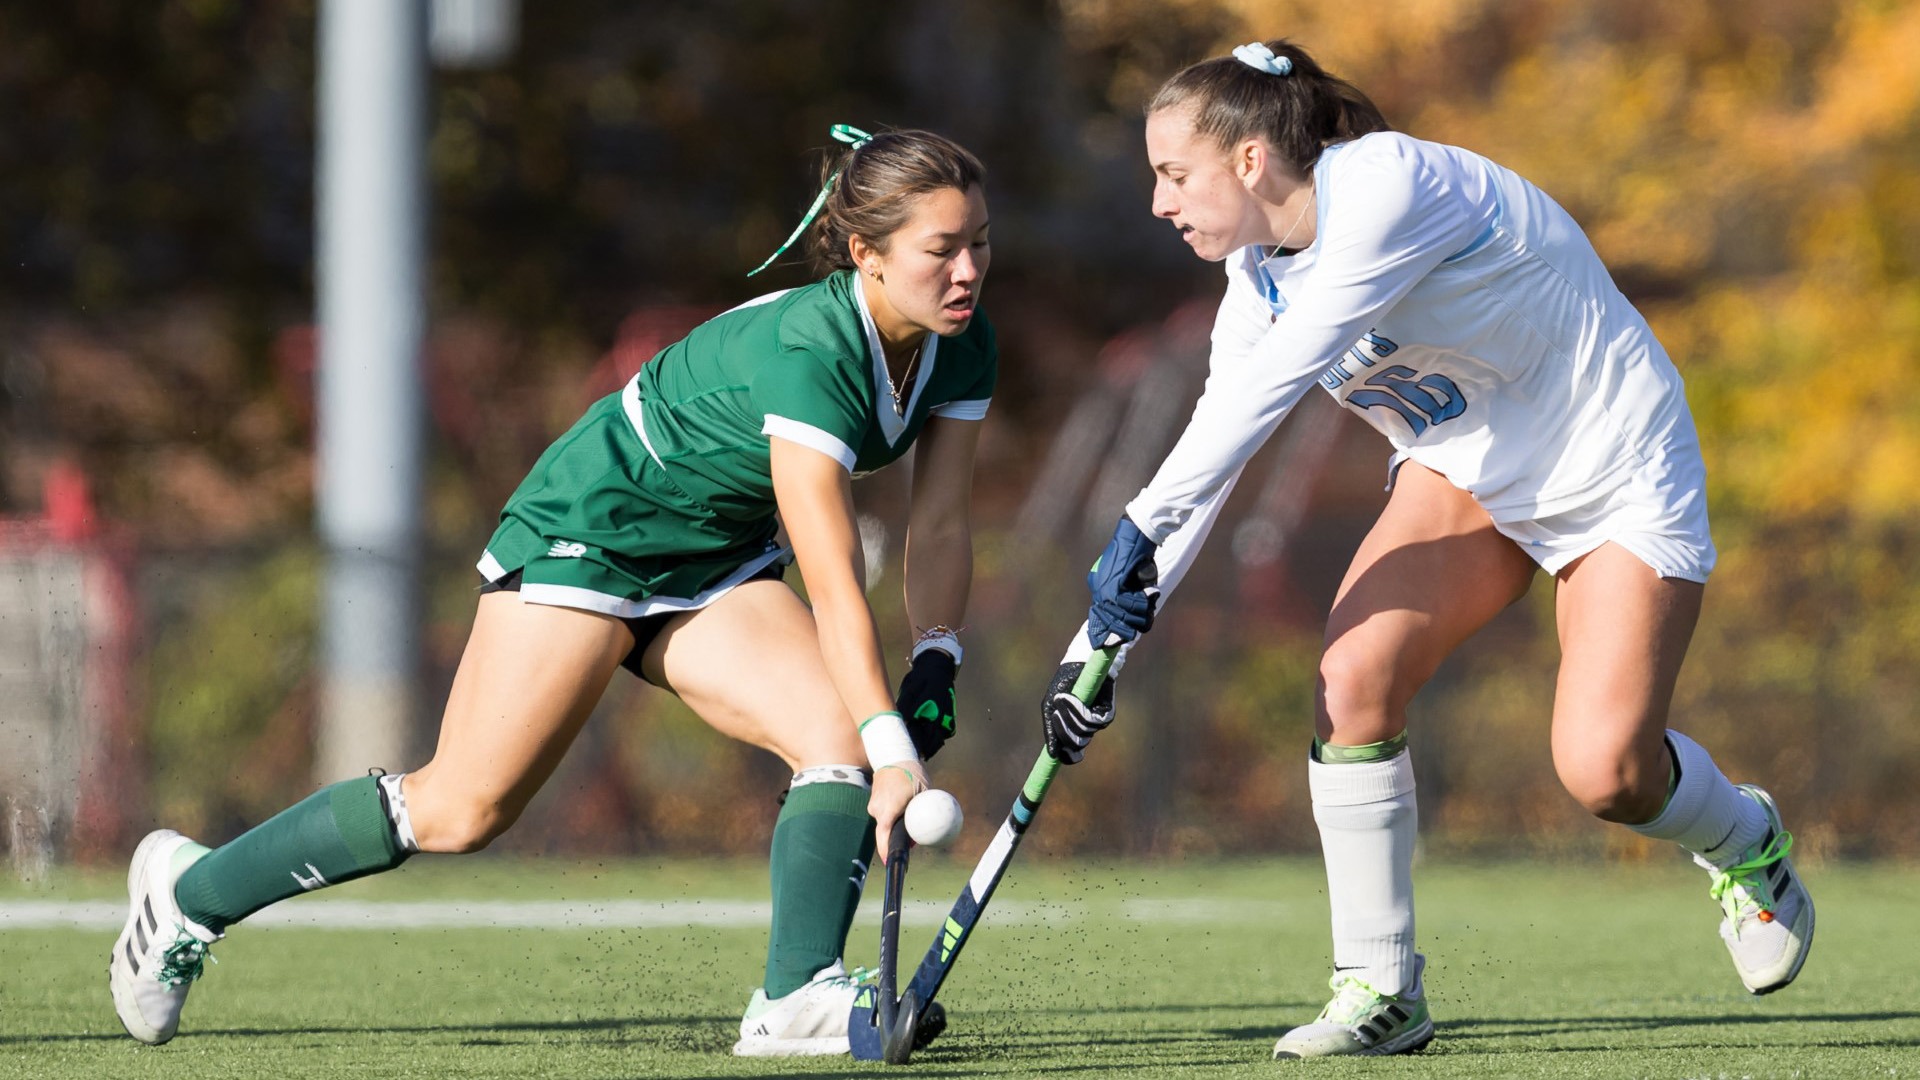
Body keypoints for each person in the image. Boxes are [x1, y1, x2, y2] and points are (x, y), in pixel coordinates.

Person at [109, 125, 997, 1058]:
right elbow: (828, 570)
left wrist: (937, 651)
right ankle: (187, 893)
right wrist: (889, 734)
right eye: (942, 249)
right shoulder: (811, 350)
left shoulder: (964, 342)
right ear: (866, 253)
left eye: (980, 241)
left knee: (832, 739)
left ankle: (794, 1001)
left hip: (712, 558)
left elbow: (939, 525)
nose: (968, 270)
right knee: (460, 811)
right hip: (597, 527)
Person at [1038, 40, 1814, 1060]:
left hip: (1613, 465)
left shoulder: (1388, 187)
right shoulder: (1252, 275)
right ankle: (1381, 989)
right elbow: (1216, 449)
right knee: (1351, 679)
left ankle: (1744, 842)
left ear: (1248, 163)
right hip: (1468, 469)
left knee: (1606, 773)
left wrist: (1135, 526)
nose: (1155, 203)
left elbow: (1277, 389)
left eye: (1172, 174)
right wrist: (1099, 649)